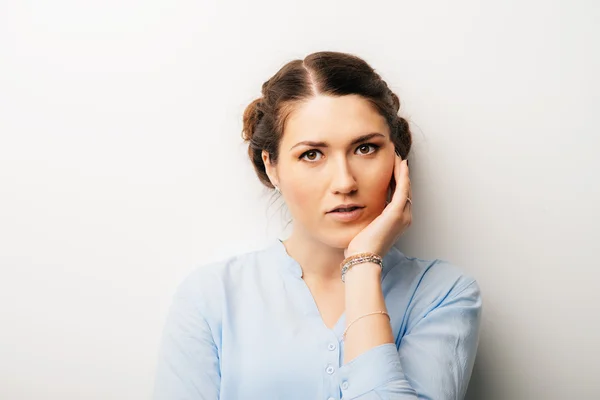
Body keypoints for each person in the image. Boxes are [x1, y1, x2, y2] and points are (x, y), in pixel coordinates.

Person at [153, 51, 482, 400]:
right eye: (312, 154)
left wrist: (362, 266)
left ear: (397, 157)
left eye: (366, 148)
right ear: (272, 167)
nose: (344, 182)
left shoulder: (443, 294)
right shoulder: (211, 298)